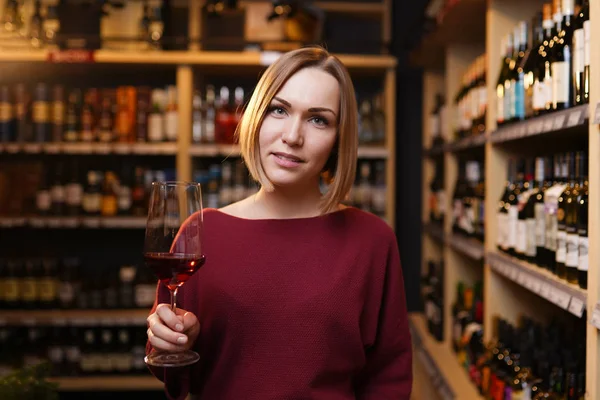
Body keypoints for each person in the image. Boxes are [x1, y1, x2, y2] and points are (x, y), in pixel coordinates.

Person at [145, 45, 413, 400]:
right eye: (279, 110)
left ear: (338, 139)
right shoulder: (201, 231)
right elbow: (174, 377)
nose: (292, 136)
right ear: (257, 115)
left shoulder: (372, 240)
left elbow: (388, 380)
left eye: (318, 119)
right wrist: (171, 344)